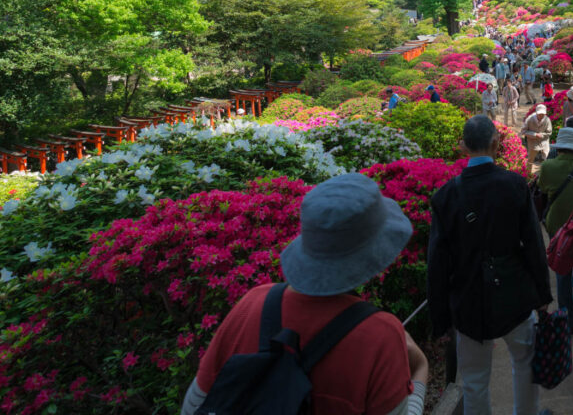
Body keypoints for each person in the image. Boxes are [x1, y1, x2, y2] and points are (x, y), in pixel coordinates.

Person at [182, 174, 427, 415]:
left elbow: (193, 407)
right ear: (375, 254)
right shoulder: (381, 334)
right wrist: (420, 369)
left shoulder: (252, 304)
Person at [428, 117, 552, 415]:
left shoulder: (444, 196)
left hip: (469, 299)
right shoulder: (515, 184)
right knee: (524, 367)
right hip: (516, 294)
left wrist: (440, 319)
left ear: (462, 147)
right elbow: (534, 244)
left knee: (474, 381)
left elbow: (438, 262)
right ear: (497, 143)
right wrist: (543, 296)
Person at [520, 104, 552, 174]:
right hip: (532, 142)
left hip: (544, 142)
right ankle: (528, 174)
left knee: (546, 158)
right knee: (530, 159)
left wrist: (542, 135)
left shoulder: (547, 120)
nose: (541, 115)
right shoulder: (530, 119)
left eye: (543, 114)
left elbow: (549, 132)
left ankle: (544, 174)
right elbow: (523, 131)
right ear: (536, 112)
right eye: (540, 114)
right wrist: (534, 135)